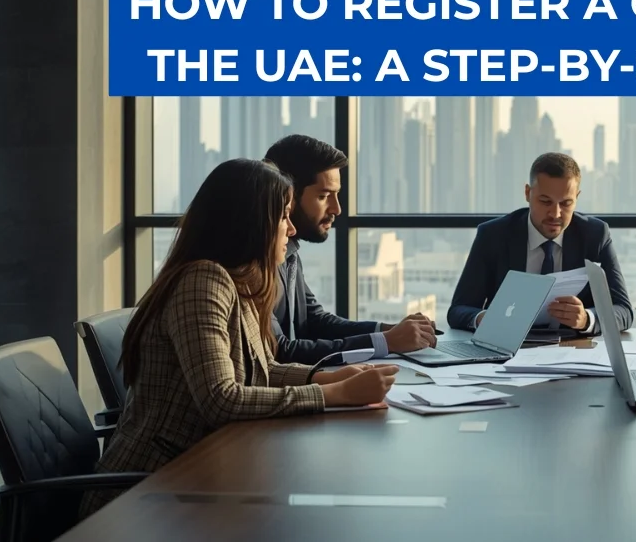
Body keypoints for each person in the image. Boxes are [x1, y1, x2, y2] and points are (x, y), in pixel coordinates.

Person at [79, 159, 398, 519]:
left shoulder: (237, 283)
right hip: (147, 495)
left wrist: (326, 377)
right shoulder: (203, 280)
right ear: (250, 224)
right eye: (283, 218)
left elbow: (261, 370)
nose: (291, 230)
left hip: (196, 477)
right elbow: (220, 399)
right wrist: (332, 395)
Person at [263, 135, 438, 363]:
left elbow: (315, 321)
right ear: (288, 195)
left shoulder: (289, 251)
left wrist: (388, 330)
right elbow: (281, 351)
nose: (337, 209)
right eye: (324, 196)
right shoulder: (257, 259)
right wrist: (387, 341)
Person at [448, 152, 633, 334]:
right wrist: (483, 318)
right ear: (528, 193)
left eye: (566, 203)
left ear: (577, 197)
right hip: (505, 351)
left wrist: (587, 319)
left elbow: (623, 310)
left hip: (572, 351)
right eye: (545, 202)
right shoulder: (493, 236)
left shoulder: (595, 235)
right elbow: (458, 310)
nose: (555, 214)